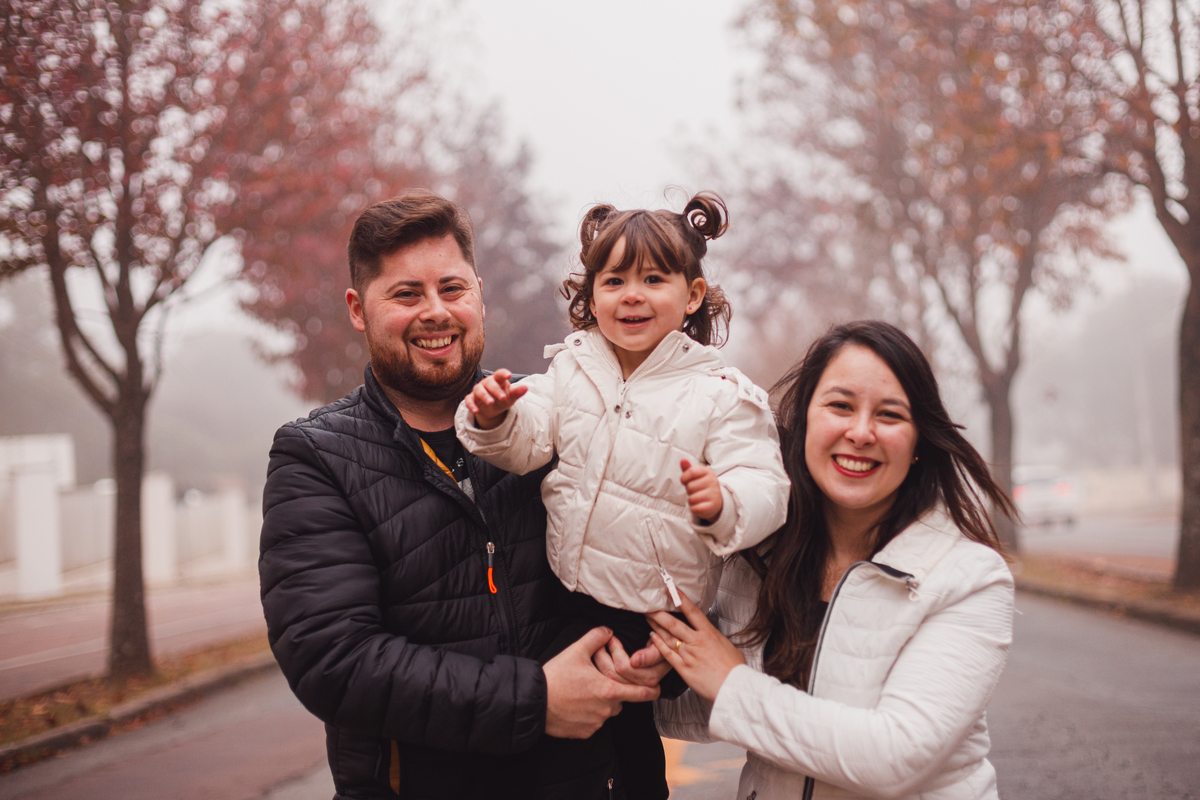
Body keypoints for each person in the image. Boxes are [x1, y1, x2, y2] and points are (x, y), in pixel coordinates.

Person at [258, 189, 663, 800]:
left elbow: (654, 552)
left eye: (451, 289)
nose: (435, 312)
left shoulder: (561, 412)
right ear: (357, 309)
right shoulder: (316, 457)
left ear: (478, 294)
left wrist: (655, 651)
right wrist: (534, 700)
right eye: (405, 294)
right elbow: (332, 660)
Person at [454, 192, 790, 799]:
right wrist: (493, 420)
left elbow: (764, 480)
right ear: (591, 297)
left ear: (691, 295)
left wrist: (724, 502)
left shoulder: (718, 392)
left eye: (653, 279)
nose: (631, 294)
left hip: (656, 615)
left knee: (629, 739)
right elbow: (528, 443)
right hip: (567, 592)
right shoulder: (570, 371)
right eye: (613, 281)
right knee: (560, 738)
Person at [648, 320, 1016, 800]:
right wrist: (647, 679)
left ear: (919, 442)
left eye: (889, 415)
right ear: (804, 421)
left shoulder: (969, 578)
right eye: (840, 406)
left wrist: (731, 682)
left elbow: (895, 758)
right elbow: (712, 704)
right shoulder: (761, 552)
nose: (860, 433)